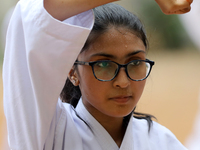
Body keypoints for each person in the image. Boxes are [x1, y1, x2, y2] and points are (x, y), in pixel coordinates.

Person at [3, 0, 193, 149]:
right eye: (104, 64)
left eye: (135, 62)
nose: (123, 82)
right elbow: (36, 16)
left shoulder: (161, 142)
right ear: (72, 71)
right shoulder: (51, 134)